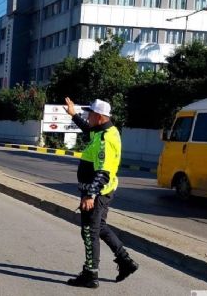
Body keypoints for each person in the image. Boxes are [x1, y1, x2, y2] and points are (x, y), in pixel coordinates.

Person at [64, 97, 139, 288]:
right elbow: (88, 131)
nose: (87, 117)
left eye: (90, 114)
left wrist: (90, 195)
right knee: (100, 227)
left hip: (97, 193)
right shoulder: (101, 131)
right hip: (99, 191)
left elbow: (104, 172)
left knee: (89, 231)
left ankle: (90, 274)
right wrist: (74, 115)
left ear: (99, 116)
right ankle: (125, 261)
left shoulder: (106, 139)